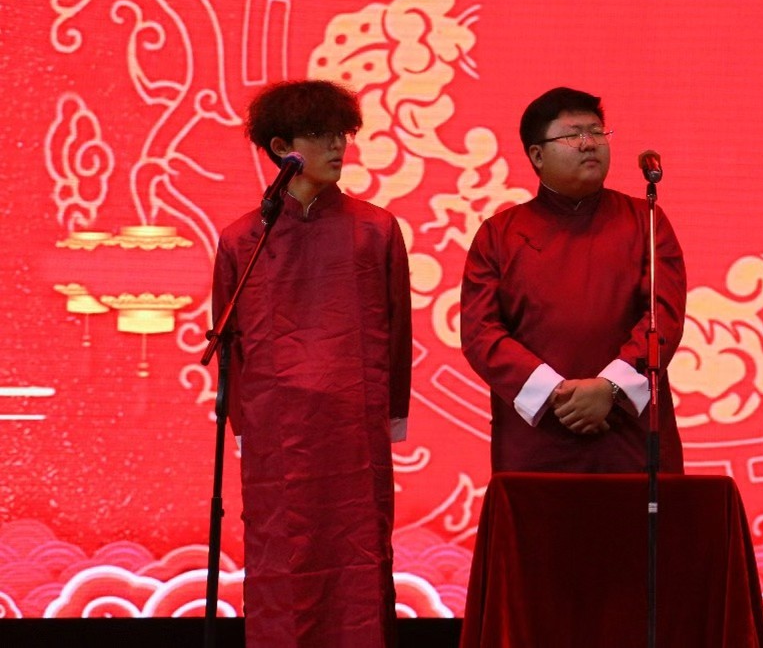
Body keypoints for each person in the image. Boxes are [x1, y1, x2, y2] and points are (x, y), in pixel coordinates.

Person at [212, 79, 412, 647]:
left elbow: (397, 333)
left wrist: (392, 416)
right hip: (276, 435)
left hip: (354, 427)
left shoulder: (375, 229)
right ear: (282, 148)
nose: (338, 146)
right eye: (321, 135)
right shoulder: (241, 240)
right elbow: (231, 346)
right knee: (281, 562)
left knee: (358, 561)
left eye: (341, 133)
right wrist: (246, 425)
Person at [460, 86, 686, 472]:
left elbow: (663, 316)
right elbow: (481, 333)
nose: (589, 143)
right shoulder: (499, 234)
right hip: (538, 432)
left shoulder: (645, 220)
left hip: (628, 429)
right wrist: (555, 393)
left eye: (597, 132)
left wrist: (610, 388)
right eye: (572, 135)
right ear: (537, 155)